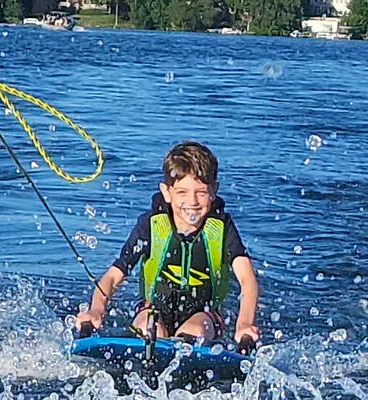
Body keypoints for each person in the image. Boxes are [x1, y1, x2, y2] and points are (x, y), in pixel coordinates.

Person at [73, 140, 262, 352]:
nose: (192, 201)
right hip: (153, 309)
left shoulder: (222, 228)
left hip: (204, 314)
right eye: (182, 192)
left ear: (213, 191)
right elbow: (113, 276)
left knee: (195, 331)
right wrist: (96, 311)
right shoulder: (151, 225)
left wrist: (244, 323)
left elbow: (247, 279)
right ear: (167, 192)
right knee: (147, 328)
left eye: (200, 192)